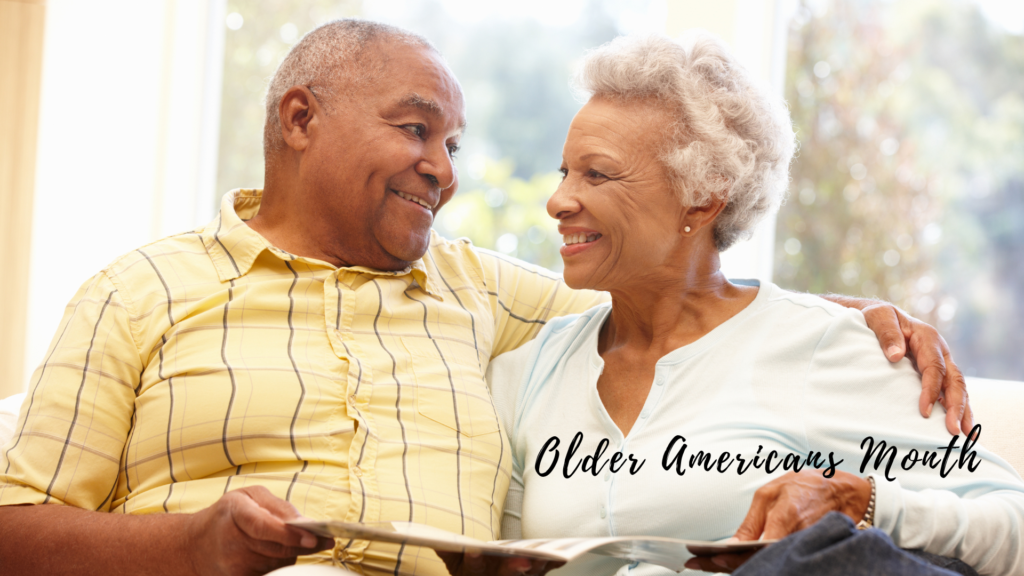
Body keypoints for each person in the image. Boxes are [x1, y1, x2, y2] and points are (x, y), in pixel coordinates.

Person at [0, 19, 973, 576]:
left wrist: (843, 314)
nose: (442, 170)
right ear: (299, 119)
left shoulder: (479, 292)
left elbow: (675, 297)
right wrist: (194, 546)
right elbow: (14, 531)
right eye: (416, 130)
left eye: (453, 145)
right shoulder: (142, 293)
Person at [487, 33, 1024, 576]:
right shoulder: (531, 370)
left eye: (596, 174)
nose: (558, 201)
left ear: (703, 195)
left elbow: (1013, 520)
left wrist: (864, 501)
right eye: (564, 172)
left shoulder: (824, 347)